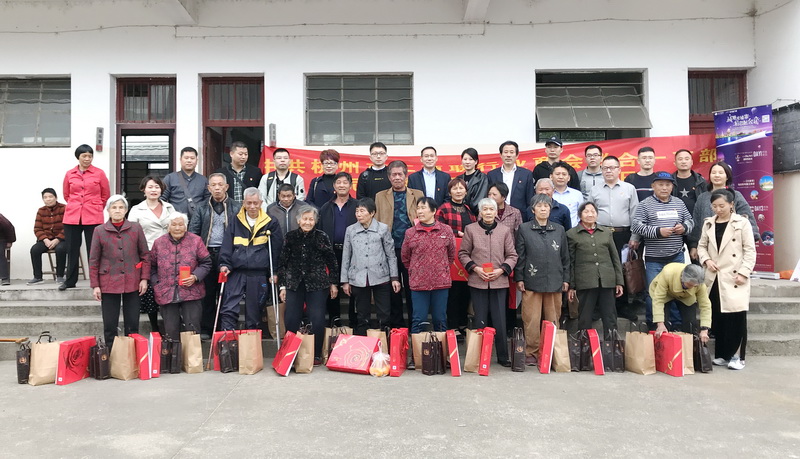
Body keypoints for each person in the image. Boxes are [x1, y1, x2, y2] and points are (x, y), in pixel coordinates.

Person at [697, 189, 756, 370]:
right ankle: (722, 354)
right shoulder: (708, 223)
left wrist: (744, 272)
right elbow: (701, 246)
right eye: (714, 206)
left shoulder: (742, 223)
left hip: (734, 275)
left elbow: (750, 250)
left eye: (722, 206)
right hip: (714, 276)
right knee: (718, 316)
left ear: (731, 204)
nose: (718, 209)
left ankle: (738, 356)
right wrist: (706, 260)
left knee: (736, 317)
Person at [459, 197, 518, 367]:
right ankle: (480, 355)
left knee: (500, 320)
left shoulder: (504, 230)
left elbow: (512, 255)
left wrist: (501, 270)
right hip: (478, 280)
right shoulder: (471, 229)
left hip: (499, 281)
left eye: (491, 209)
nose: (488, 212)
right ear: (480, 212)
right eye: (485, 209)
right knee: (480, 320)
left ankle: (503, 356)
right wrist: (475, 269)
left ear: (496, 212)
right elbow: (463, 253)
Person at [278, 205, 339, 365]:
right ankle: (290, 353)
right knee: (291, 318)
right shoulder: (290, 237)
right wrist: (282, 286)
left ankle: (315, 354)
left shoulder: (322, 237)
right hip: (294, 283)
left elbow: (332, 261)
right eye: (304, 219)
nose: (308, 222)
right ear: (298, 220)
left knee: (317, 319)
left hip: (317, 284)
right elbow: (282, 263)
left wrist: (333, 282)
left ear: (315, 221)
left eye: (311, 219)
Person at [631, 171, 693, 328]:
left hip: (676, 257)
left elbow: (690, 221)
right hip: (654, 259)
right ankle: (653, 325)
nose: (664, 188)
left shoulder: (679, 203)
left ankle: (675, 325)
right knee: (653, 293)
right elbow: (636, 226)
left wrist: (684, 227)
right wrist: (658, 231)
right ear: (653, 186)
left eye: (667, 185)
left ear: (672, 187)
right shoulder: (645, 204)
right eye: (660, 184)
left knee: (676, 291)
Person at [515, 194, 569, 366]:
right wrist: (519, 277)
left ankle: (551, 350)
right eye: (539, 206)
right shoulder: (524, 229)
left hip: (555, 279)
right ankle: (531, 351)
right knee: (531, 318)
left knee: (553, 318)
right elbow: (520, 256)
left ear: (550, 209)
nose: (543, 209)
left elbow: (565, 257)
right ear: (533, 210)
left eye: (546, 206)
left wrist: (566, 279)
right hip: (531, 280)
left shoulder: (559, 229)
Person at [218, 187, 283, 331]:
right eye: (249, 203)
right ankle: (227, 339)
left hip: (258, 272)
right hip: (236, 271)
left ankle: (251, 341)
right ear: (243, 203)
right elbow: (227, 244)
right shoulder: (235, 220)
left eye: (255, 203)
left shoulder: (270, 222)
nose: (252, 206)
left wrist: (274, 272)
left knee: (254, 311)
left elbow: (276, 250)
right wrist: (224, 263)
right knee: (229, 307)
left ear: (261, 203)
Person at [89, 195, 149, 349]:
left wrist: (144, 278)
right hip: (108, 281)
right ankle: (110, 354)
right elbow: (94, 260)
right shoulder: (99, 230)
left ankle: (132, 354)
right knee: (110, 324)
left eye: (121, 207)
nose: (117, 210)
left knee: (132, 323)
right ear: (108, 210)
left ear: (126, 210)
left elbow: (145, 255)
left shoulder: (136, 228)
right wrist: (95, 285)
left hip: (133, 279)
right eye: (114, 207)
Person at [188, 172, 241, 339]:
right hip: (207, 254)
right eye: (213, 185)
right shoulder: (201, 207)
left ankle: (225, 327)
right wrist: (197, 255)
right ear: (208, 188)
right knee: (208, 293)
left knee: (227, 293)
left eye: (220, 185)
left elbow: (241, 232)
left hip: (228, 255)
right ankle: (207, 328)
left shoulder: (237, 207)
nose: (217, 188)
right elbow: (193, 233)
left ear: (226, 187)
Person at [586, 155, 640, 321]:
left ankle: (622, 306)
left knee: (622, 269)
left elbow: (635, 214)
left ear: (619, 169)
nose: (609, 171)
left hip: (623, 235)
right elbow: (589, 212)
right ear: (601, 170)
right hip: (600, 234)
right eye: (605, 168)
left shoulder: (629, 188)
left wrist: (635, 236)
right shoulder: (595, 190)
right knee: (600, 269)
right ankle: (599, 307)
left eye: (612, 167)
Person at [341, 198, 401, 335]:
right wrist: (345, 281)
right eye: (357, 211)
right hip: (358, 276)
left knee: (384, 313)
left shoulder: (383, 229)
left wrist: (394, 277)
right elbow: (346, 256)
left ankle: (384, 340)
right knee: (362, 314)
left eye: (362, 211)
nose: (358, 214)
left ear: (372, 212)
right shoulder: (350, 230)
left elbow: (391, 254)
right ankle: (363, 341)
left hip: (381, 275)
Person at [375, 160, 424, 329]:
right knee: (393, 288)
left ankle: (414, 324)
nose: (397, 177)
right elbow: (377, 220)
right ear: (389, 177)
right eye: (393, 174)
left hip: (413, 249)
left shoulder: (417, 194)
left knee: (413, 287)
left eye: (400, 174)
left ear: (405, 176)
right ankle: (397, 325)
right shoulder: (380, 196)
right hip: (390, 248)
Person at [149, 212, 212, 341]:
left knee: (192, 330)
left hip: (192, 291)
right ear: (168, 227)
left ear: (186, 226)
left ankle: (192, 355)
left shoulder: (196, 240)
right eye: (174, 225)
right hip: (166, 292)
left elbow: (206, 262)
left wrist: (195, 276)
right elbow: (151, 266)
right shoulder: (159, 243)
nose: (177, 228)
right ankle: (174, 354)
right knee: (171, 331)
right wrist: (157, 283)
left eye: (180, 225)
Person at [127, 175, 175, 334]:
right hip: (147, 253)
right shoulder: (136, 209)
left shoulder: (169, 207)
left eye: (157, 187)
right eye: (150, 187)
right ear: (143, 190)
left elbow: (177, 227)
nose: (154, 190)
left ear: (161, 189)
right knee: (150, 291)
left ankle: (170, 324)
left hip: (168, 254)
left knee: (168, 288)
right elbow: (131, 235)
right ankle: (154, 326)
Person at [567, 202, 624, 334]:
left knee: (610, 316)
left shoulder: (606, 232)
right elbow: (570, 262)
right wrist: (572, 285)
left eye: (593, 211)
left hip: (607, 279)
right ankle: (585, 343)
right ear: (580, 215)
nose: (590, 214)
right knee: (585, 316)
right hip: (585, 281)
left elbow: (615, 258)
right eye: (586, 211)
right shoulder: (571, 234)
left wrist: (619, 281)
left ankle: (611, 343)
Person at [401, 198, 456, 333]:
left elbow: (451, 254)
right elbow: (405, 257)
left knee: (440, 319)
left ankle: (441, 346)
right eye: (418, 208)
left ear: (433, 211)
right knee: (418, 319)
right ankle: (417, 347)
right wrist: (416, 270)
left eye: (423, 208)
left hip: (441, 282)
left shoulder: (446, 230)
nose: (419, 211)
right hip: (418, 282)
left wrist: (441, 268)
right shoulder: (410, 232)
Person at [60, 144, 111, 291]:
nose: (87, 159)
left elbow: (105, 195)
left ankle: (96, 281)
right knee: (72, 249)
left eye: (90, 156)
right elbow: (66, 195)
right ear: (78, 157)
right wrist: (76, 205)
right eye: (84, 156)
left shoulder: (99, 173)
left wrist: (96, 207)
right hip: (72, 216)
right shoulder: (70, 174)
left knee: (94, 250)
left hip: (93, 216)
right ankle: (70, 281)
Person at [689, 161, 759, 262]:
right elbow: (696, 223)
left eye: (721, 173)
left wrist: (750, 239)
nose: (717, 175)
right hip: (708, 248)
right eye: (713, 172)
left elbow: (748, 219)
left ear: (727, 176)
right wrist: (694, 245)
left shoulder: (736, 195)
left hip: (732, 247)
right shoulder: (702, 198)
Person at [436, 178, 476, 334]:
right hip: (450, 256)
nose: (458, 191)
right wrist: (457, 233)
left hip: (466, 255)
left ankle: (463, 324)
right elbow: (438, 228)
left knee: (465, 291)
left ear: (466, 191)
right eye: (455, 188)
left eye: (461, 188)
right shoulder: (444, 208)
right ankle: (452, 326)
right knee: (453, 293)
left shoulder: (468, 209)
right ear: (449, 191)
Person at [317, 172, 358, 324]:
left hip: (354, 253)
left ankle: (354, 321)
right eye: (338, 182)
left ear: (350, 185)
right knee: (332, 287)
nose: (342, 185)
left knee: (354, 287)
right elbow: (320, 231)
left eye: (345, 182)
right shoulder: (326, 207)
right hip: (331, 252)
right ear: (334, 185)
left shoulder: (357, 206)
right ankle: (335, 320)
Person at [650, 263, 711, 340]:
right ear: (682, 277)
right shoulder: (667, 273)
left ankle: (690, 343)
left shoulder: (700, 285)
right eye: (690, 284)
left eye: (695, 286)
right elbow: (658, 299)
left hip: (687, 296)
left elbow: (705, 305)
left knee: (690, 323)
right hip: (665, 294)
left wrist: (704, 330)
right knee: (663, 324)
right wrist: (660, 324)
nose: (692, 287)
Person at [486, 140, 535, 220]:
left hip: (520, 217)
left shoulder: (526, 174)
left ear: (517, 155)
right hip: (496, 216)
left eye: (511, 152)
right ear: (501, 155)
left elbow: (530, 199)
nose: (508, 155)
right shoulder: (492, 174)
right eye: (505, 152)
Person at [28, 188, 67, 285]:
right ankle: (38, 277)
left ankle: (60, 276)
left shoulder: (64, 208)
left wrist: (58, 239)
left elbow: (68, 227)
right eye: (45, 197)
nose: (48, 199)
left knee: (60, 249)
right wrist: (45, 239)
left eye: (50, 197)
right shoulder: (41, 211)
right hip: (46, 240)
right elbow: (37, 228)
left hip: (62, 239)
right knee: (35, 249)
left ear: (56, 197)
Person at [161, 147, 210, 223]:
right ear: (180, 160)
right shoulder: (170, 178)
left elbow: (208, 201)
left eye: (192, 158)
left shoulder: (203, 180)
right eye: (186, 158)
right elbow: (162, 200)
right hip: (176, 221)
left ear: (197, 161)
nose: (189, 161)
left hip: (197, 221)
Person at [672, 148, 707, 215]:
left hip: (696, 218)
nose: (683, 162)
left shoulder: (700, 181)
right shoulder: (670, 182)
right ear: (675, 163)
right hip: (676, 219)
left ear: (692, 162)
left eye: (687, 159)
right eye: (680, 159)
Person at [456, 147, 490, 214]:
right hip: (459, 213)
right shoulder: (458, 179)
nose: (467, 162)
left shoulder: (482, 178)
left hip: (475, 214)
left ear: (476, 162)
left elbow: (479, 199)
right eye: (465, 159)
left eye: (471, 159)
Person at [551, 161, 584, 227]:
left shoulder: (577, 194)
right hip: (552, 231)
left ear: (568, 178)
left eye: (564, 174)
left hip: (572, 231)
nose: (561, 177)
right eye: (557, 174)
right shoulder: (547, 194)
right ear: (551, 176)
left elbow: (581, 216)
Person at [0, 213, 15, 286]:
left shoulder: (1, 220)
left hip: (1, 238)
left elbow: (9, 227)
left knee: (0, 254)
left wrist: (10, 241)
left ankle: (4, 278)